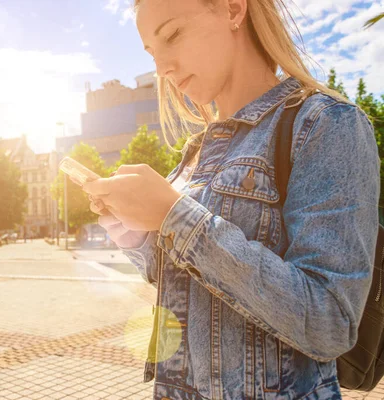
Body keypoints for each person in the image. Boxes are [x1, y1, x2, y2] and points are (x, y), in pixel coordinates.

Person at [83, 0, 380, 398]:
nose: (162, 68)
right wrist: (136, 236)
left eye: (171, 35)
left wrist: (175, 215)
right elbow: (188, 285)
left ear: (233, 9)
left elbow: (330, 323)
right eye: (152, 52)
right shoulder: (196, 151)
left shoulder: (327, 124)